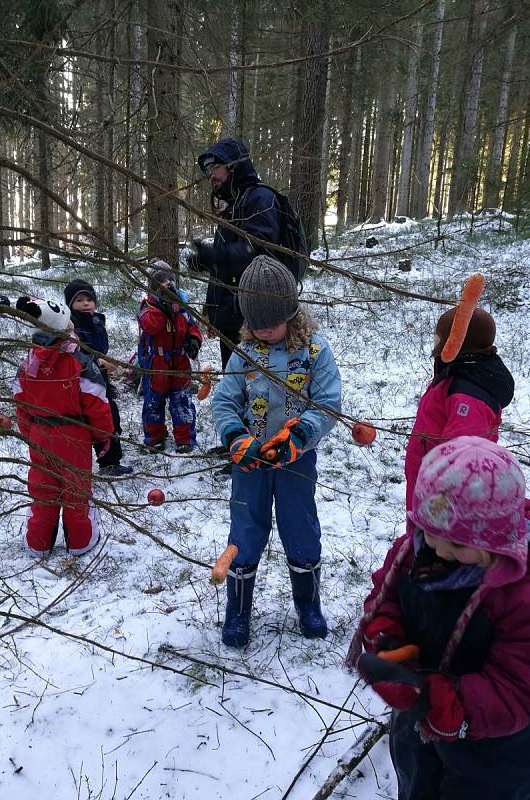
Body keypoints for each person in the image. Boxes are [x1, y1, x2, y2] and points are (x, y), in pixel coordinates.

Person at [347, 436, 530, 800]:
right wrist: (389, 643)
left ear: (498, 538)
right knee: (418, 782)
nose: (440, 550)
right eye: (431, 534)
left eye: (458, 545)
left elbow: (517, 686)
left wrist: (437, 703)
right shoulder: (415, 549)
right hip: (419, 728)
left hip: (494, 748)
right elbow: (385, 599)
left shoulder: (520, 594)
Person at [211, 255, 342, 647]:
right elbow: (224, 401)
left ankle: (308, 603)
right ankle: (238, 611)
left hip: (295, 462)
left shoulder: (315, 352)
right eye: (256, 325)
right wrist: (237, 438)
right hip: (249, 463)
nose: (263, 331)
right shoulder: (245, 353)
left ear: (292, 312)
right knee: (246, 528)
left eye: (271, 323)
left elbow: (327, 402)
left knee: (299, 525)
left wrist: (299, 436)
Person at [13, 297, 114, 557]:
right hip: (73, 435)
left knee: (43, 488)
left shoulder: (28, 362)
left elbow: (20, 402)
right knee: (76, 490)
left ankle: (38, 543)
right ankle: (81, 542)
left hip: (40, 433)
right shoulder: (79, 362)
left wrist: (30, 434)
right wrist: (103, 437)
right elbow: (96, 403)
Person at [405, 306, 514, 511]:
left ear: (455, 344)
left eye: (438, 339)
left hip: (440, 499)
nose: (434, 343)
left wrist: (441, 507)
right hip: (426, 478)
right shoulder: (453, 375)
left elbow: (462, 461)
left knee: (427, 541)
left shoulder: (467, 395)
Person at [190, 137, 284, 370]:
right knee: (235, 384)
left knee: (258, 386)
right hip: (232, 316)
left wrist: (215, 257)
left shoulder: (261, 199)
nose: (211, 175)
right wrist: (212, 310)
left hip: (258, 315)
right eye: (208, 170)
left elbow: (262, 252)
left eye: (215, 167)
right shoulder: (235, 206)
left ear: (234, 165)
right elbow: (225, 265)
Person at [64, 278, 133, 477]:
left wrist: (105, 361)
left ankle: (110, 461)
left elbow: (101, 349)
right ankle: (84, 464)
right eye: (79, 300)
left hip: (101, 380)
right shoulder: (72, 327)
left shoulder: (97, 322)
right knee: (90, 422)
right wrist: (98, 362)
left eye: (89, 299)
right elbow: (76, 352)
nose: (85, 304)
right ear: (70, 305)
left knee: (110, 417)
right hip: (83, 384)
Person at [137, 265, 203, 453]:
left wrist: (193, 339)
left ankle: (184, 438)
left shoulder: (181, 307)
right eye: (163, 283)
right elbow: (150, 326)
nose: (169, 285)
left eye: (171, 281)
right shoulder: (148, 307)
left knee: (182, 400)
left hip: (180, 361)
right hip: (157, 362)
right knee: (154, 402)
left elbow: (193, 326)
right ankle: (154, 437)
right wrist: (163, 307)